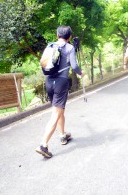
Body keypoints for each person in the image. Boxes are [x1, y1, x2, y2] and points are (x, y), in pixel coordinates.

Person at [36, 26, 84, 158]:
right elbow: (74, 66)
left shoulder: (50, 45)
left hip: (49, 82)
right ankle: (43, 145)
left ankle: (63, 135)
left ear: (57, 35)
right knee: (56, 114)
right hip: (61, 83)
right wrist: (81, 73)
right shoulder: (69, 48)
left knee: (60, 110)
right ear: (69, 37)